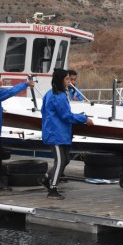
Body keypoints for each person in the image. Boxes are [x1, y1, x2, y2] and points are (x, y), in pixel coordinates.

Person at [40, 68, 94, 199]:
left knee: (66, 159)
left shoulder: (50, 94)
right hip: (56, 134)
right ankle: (52, 189)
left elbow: (43, 111)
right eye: (67, 79)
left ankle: (46, 178)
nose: (69, 82)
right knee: (60, 161)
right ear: (60, 80)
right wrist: (84, 119)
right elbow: (66, 116)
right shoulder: (59, 96)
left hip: (60, 133)